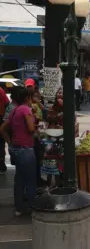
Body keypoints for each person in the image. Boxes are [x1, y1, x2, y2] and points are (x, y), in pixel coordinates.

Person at [0, 87, 36, 216]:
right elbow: (31, 129)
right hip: (25, 149)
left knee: (19, 179)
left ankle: (19, 208)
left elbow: (2, 129)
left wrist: (10, 142)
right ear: (27, 98)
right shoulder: (26, 109)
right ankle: (33, 207)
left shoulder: (14, 111)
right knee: (31, 179)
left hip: (15, 148)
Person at [0, 85, 9, 174]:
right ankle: (1, 165)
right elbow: (6, 103)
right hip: (0, 117)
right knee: (1, 142)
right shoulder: (1, 90)